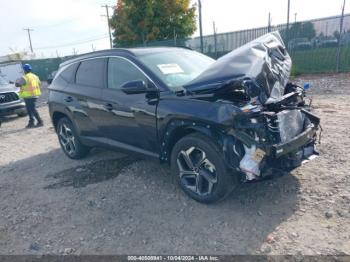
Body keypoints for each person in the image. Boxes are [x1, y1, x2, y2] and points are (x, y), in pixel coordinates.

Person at [16, 64, 43, 128]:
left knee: (32, 109)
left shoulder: (24, 77)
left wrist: (16, 81)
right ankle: (31, 122)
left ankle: (40, 121)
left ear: (24, 70)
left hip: (28, 96)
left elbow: (17, 84)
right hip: (35, 95)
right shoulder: (35, 76)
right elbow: (39, 83)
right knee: (29, 109)